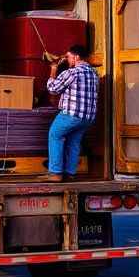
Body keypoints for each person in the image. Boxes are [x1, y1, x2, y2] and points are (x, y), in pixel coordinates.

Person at [45, 44, 98, 182]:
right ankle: (70, 173)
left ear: (76, 57)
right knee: (74, 142)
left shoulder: (72, 73)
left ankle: (55, 173)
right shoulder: (94, 73)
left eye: (68, 57)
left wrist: (53, 68)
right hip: (87, 118)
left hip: (71, 114)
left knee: (55, 135)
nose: (67, 60)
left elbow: (53, 89)